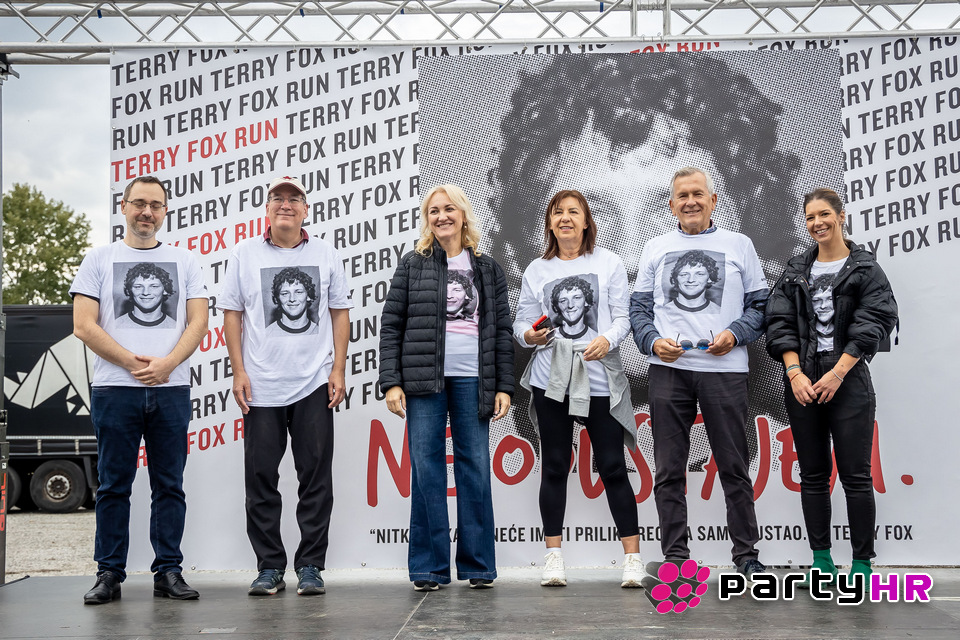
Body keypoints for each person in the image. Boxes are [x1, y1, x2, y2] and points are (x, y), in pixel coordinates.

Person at [71, 175, 208, 604]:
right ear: (124, 207)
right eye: (140, 203)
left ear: (165, 211)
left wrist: (167, 364)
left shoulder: (185, 261)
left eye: (156, 205)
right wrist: (133, 364)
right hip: (115, 389)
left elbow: (198, 322)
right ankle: (109, 574)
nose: (147, 212)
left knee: (170, 485)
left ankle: (168, 572)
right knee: (114, 484)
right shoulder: (98, 259)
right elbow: (83, 325)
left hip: (171, 388)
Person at [629, 167, 768, 580]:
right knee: (669, 470)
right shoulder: (655, 247)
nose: (690, 201)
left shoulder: (739, 245)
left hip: (726, 371)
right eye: (682, 196)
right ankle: (676, 559)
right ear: (671, 205)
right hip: (668, 372)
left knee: (733, 466)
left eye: (698, 194)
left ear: (713, 200)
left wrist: (735, 333)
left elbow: (761, 306)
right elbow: (638, 310)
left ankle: (746, 556)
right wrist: (652, 341)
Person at [220, 176, 352, 597]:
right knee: (260, 478)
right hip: (261, 387)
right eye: (277, 198)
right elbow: (232, 314)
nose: (285, 204)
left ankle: (311, 565)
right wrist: (239, 371)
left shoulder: (326, 253)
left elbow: (340, 313)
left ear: (305, 210)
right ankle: (270, 567)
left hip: (314, 383)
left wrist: (338, 369)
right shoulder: (244, 253)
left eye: (294, 198)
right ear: (267, 209)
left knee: (315, 479)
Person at [379, 184, 514, 591]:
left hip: (475, 379)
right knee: (427, 470)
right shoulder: (412, 265)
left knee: (475, 468)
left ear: (463, 214)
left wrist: (504, 386)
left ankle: (478, 566)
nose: (442, 216)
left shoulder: (488, 269)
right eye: (434, 210)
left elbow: (501, 331)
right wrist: (391, 382)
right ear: (427, 219)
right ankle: (429, 568)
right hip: (422, 381)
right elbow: (391, 326)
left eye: (449, 209)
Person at [766, 188, 898, 587]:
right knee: (813, 474)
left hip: (848, 377)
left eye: (824, 214)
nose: (817, 223)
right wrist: (795, 373)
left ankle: (862, 565)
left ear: (841, 216)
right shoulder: (795, 270)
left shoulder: (865, 269)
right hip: (803, 379)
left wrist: (838, 373)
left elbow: (874, 323)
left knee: (855, 475)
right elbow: (779, 323)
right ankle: (821, 561)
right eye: (810, 217)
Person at [515, 189, 643, 588]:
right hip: (550, 380)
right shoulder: (536, 269)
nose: (565, 218)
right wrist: (529, 337)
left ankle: (633, 560)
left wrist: (607, 339)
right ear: (550, 224)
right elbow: (521, 324)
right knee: (554, 464)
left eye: (574, 212)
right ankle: (553, 558)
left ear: (586, 221)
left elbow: (623, 317)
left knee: (613, 466)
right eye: (558, 213)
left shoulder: (609, 262)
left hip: (599, 376)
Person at [117, 262, 177, 328]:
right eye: (138, 287)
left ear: (165, 290)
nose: (145, 292)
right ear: (129, 291)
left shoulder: (175, 327)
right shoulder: (116, 325)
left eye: (154, 286)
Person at [266, 266, 319, 335]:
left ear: (308, 296)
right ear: (277, 298)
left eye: (298, 292)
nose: (292, 299)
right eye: (285, 294)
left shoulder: (320, 333)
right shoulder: (268, 333)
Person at [666, 250, 722, 315]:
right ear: (675, 278)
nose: (691, 280)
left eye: (700, 274)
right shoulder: (661, 313)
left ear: (709, 278)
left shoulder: (720, 312)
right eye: (684, 275)